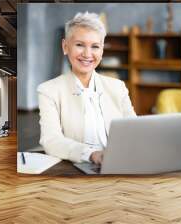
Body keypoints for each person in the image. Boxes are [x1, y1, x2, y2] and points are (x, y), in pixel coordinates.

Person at [37, 12, 136, 165]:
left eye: (95, 46)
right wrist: (93, 155)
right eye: (79, 45)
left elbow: (135, 130)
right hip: (78, 167)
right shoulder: (48, 90)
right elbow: (51, 140)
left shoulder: (118, 87)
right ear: (65, 46)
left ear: (102, 50)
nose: (87, 54)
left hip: (120, 163)